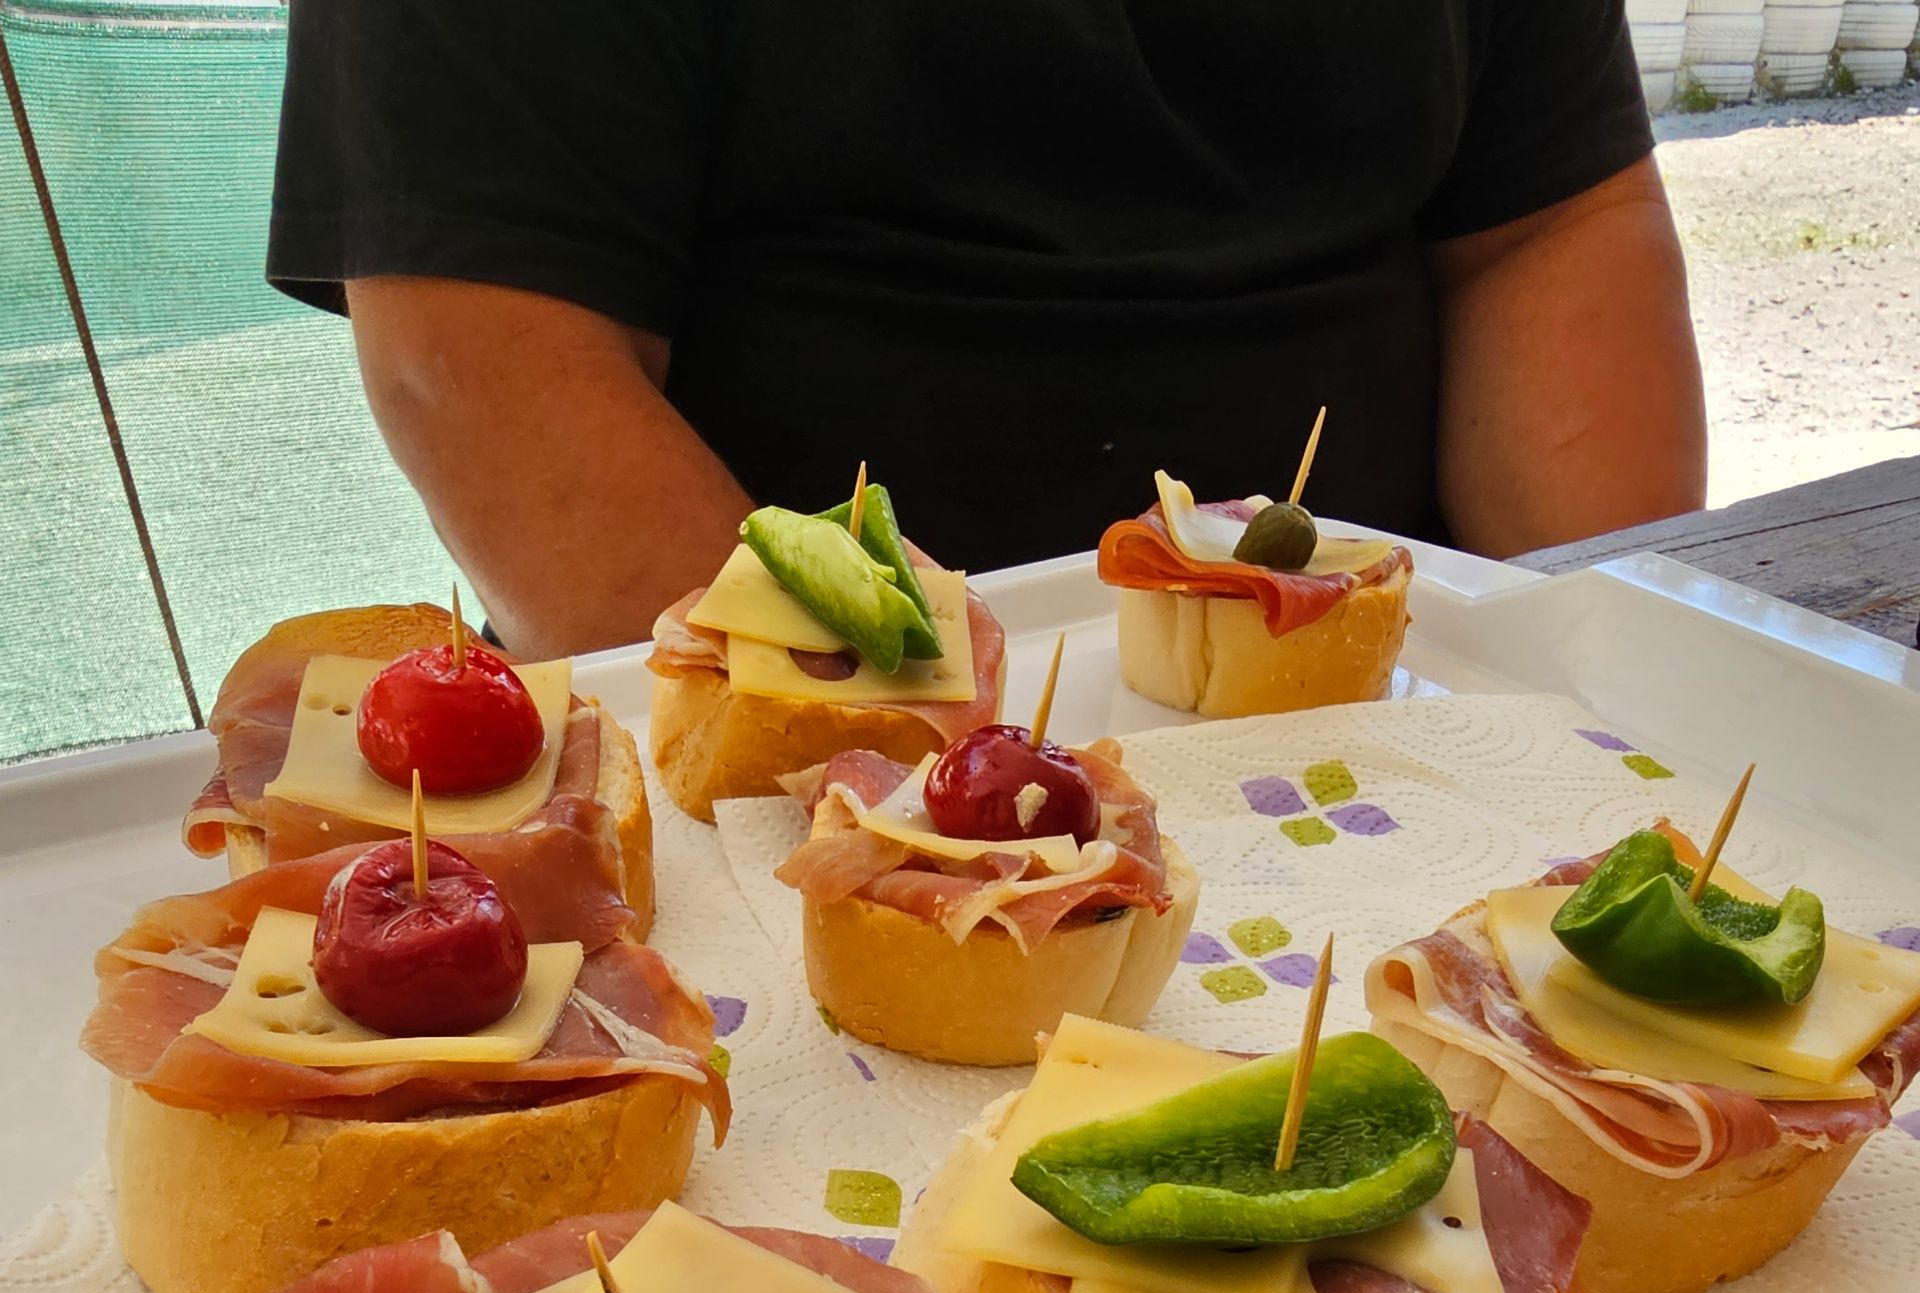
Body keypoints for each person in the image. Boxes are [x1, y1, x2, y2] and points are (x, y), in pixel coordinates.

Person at [269, 1, 1706, 659]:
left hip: (1403, 688)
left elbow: (1550, 221)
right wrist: (888, 782)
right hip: (816, 731)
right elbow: (487, 353)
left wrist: (1601, 668)